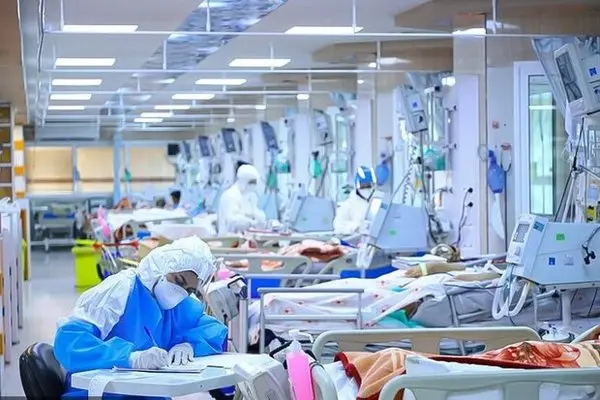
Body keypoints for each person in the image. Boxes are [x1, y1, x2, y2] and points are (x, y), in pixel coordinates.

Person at [54, 236, 227, 399]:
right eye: (178, 280)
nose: (181, 291)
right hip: (100, 393)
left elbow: (213, 329)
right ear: (162, 267)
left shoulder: (180, 304)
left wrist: (189, 345)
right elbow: (70, 342)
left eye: (189, 290)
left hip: (148, 393)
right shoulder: (121, 290)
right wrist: (130, 358)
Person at [217, 164, 266, 235]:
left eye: (255, 183)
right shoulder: (230, 195)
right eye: (251, 182)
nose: (253, 185)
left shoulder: (249, 195)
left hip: (245, 236)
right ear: (244, 180)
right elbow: (233, 220)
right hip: (229, 237)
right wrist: (251, 223)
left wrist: (260, 218)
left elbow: (254, 212)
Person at [333, 165, 377, 236]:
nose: (366, 189)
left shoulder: (377, 202)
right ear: (356, 186)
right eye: (363, 186)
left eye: (368, 186)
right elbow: (338, 226)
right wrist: (355, 227)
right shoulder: (348, 205)